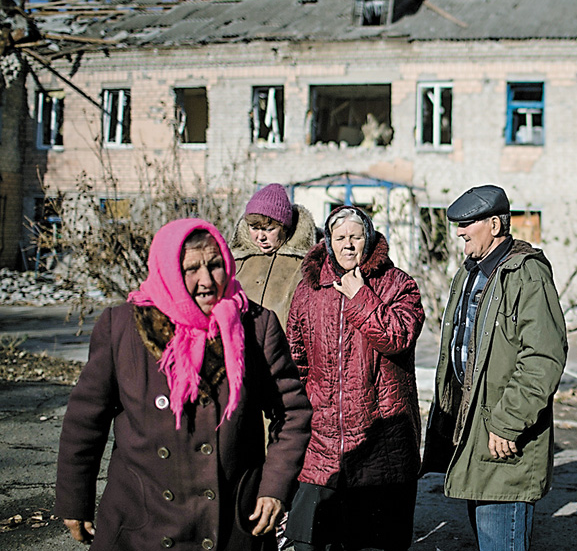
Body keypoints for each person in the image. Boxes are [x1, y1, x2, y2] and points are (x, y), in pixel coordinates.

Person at [54, 218, 313, 551]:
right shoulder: (122, 328)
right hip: (142, 519)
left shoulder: (255, 326)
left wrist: (273, 487)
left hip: (231, 521)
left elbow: (292, 413)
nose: (206, 281)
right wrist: (75, 498)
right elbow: (85, 420)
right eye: (191, 269)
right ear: (167, 270)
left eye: (216, 265)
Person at [421, 184, 568, 551]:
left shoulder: (526, 274)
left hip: (504, 433)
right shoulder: (470, 271)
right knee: (485, 534)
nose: (459, 231)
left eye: (468, 223)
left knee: (500, 539)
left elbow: (543, 358)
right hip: (475, 428)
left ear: (496, 225)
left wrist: (507, 423)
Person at [284, 205, 425, 551]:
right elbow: (295, 362)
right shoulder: (309, 290)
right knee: (308, 542)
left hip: (383, 448)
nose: (348, 245)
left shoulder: (397, 285)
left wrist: (360, 296)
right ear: (328, 242)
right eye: (340, 237)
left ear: (370, 239)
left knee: (373, 544)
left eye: (356, 237)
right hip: (322, 446)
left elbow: (398, 338)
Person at [232, 183, 318, 330]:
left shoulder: (306, 264)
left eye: (269, 229)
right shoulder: (236, 262)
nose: (261, 237)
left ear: (285, 227)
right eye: (254, 228)